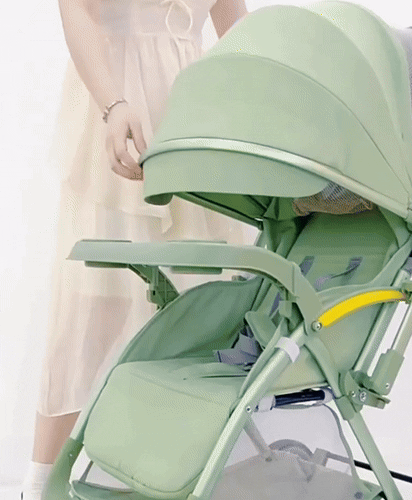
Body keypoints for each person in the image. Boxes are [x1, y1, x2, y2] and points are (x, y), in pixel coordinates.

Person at [21, 0, 254, 498]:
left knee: (197, 303)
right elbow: (76, 9)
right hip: (116, 99)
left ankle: (170, 475)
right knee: (90, 306)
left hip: (192, 117)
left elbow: (236, 26)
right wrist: (113, 104)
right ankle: (38, 484)